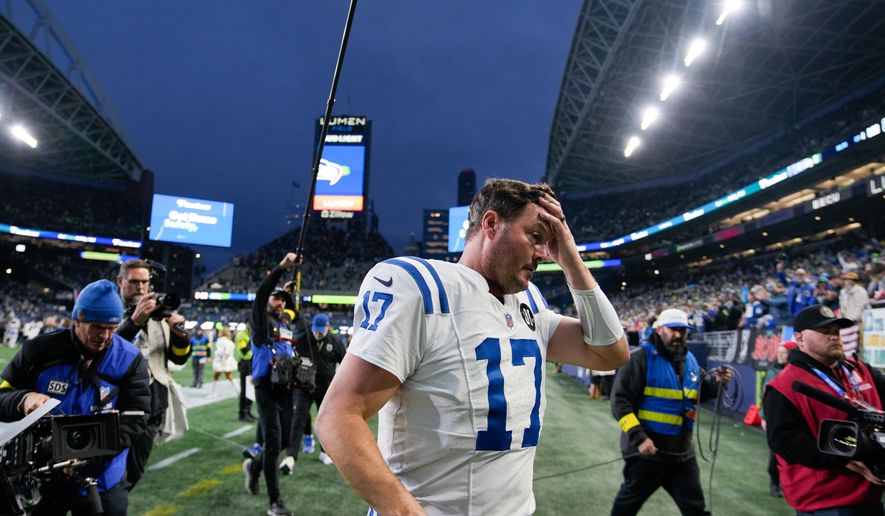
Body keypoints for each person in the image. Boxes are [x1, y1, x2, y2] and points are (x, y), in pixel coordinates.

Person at [317, 179, 629, 515]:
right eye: (535, 237)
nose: (542, 253)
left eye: (548, 242)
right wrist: (404, 511)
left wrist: (570, 258)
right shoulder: (424, 288)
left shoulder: (530, 303)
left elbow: (610, 352)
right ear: (492, 224)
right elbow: (337, 416)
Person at [0, 279, 151, 515]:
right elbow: (2, 396)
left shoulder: (130, 358)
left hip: (103, 479)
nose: (105, 336)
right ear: (77, 319)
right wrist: (24, 398)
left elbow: (137, 417)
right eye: (97, 327)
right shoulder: (39, 351)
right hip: (44, 478)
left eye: (112, 328)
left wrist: (90, 452)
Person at [764, 304, 885, 514]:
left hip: (872, 495)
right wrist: (844, 457)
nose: (834, 337)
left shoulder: (861, 370)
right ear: (800, 338)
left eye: (836, 331)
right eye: (824, 332)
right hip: (827, 503)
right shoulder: (784, 386)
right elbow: (784, 441)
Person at [609, 308, 731, 516]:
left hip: (681, 455)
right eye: (673, 330)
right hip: (647, 454)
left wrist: (718, 383)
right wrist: (639, 438)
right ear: (659, 329)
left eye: (682, 330)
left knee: (696, 510)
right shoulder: (639, 358)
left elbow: (702, 391)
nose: (678, 335)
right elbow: (619, 402)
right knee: (625, 508)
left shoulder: (690, 360)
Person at [114, 259, 192, 489]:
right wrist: (134, 321)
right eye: (134, 282)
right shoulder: (110, 308)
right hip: (117, 403)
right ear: (120, 281)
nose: (140, 287)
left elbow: (178, 358)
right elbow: (104, 352)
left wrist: (180, 334)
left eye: (144, 282)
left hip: (153, 402)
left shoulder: (159, 314)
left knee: (134, 473)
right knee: (109, 475)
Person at [242, 253, 301, 516]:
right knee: (274, 441)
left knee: (285, 439)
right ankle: (274, 501)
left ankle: (253, 467)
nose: (277, 301)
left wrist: (288, 295)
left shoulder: (284, 322)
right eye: (274, 298)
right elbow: (261, 294)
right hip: (265, 385)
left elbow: (292, 313)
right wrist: (281, 269)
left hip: (287, 386)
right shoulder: (260, 321)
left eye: (281, 299)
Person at [280, 312, 346, 474]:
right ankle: (290, 456)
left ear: (327, 327)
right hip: (304, 387)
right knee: (298, 419)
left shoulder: (335, 342)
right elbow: (291, 353)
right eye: (315, 330)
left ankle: (325, 452)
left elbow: (344, 364)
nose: (317, 333)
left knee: (325, 422)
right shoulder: (303, 339)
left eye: (320, 330)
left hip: (326, 389)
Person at [760, 340, 797, 498]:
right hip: (775, 418)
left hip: (793, 419)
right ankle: (775, 483)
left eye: (784, 352)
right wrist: (763, 417)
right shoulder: (772, 372)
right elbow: (764, 396)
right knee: (775, 453)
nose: (780, 355)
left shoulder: (796, 371)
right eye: (779, 352)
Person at [235, 322, 256, 422]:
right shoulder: (241, 335)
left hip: (253, 363)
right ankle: (242, 413)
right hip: (246, 364)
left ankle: (248, 412)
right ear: (247, 324)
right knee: (245, 390)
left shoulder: (252, 334)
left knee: (251, 389)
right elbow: (244, 351)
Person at [211, 327, 239, 396]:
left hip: (222, 361)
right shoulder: (229, 341)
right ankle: (238, 391)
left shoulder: (220, 341)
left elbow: (222, 351)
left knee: (221, 376)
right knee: (226, 376)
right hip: (226, 360)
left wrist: (220, 355)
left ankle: (214, 393)